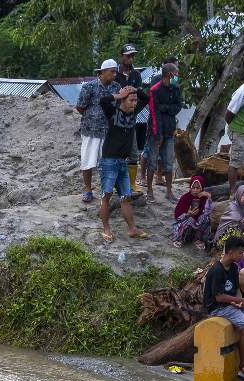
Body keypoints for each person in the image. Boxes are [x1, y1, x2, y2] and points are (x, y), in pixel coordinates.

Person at [204, 235, 244, 381]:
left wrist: (239, 301)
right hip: (218, 308)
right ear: (230, 252)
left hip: (231, 304)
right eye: (240, 252)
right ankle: (243, 366)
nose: (242, 255)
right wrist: (242, 301)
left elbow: (236, 290)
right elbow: (218, 298)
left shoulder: (233, 267)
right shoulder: (217, 270)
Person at [97, 83, 146, 242]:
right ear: (123, 101)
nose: (134, 103)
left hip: (123, 162)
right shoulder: (113, 112)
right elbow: (103, 101)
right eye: (131, 100)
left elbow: (146, 98)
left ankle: (132, 228)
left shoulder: (133, 113)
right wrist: (119, 95)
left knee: (126, 197)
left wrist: (134, 89)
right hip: (109, 161)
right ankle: (106, 229)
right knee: (106, 195)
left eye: (134, 101)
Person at [75, 60, 119, 204]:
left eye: (115, 71)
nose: (114, 74)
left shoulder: (116, 87)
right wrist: (93, 116)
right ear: (103, 72)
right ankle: (88, 190)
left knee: (106, 163)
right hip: (91, 130)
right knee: (88, 161)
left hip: (109, 131)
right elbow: (80, 107)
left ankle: (105, 191)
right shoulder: (89, 87)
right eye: (112, 71)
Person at [144, 59, 183, 203]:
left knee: (168, 163)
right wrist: (157, 134)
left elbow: (178, 106)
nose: (178, 76)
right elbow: (154, 113)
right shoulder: (155, 90)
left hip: (170, 129)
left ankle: (169, 191)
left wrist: (166, 108)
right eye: (176, 74)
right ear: (168, 75)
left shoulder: (176, 88)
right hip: (156, 131)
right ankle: (149, 190)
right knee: (152, 162)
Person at [118, 43, 149, 197]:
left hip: (130, 118)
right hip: (116, 118)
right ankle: (117, 183)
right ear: (122, 56)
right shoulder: (114, 73)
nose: (131, 58)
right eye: (128, 55)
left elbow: (144, 97)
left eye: (133, 55)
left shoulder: (136, 75)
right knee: (116, 152)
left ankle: (131, 183)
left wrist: (134, 110)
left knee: (133, 152)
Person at [172, 175, 214, 249]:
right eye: (193, 188)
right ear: (190, 188)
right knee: (190, 219)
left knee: (206, 218)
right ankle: (178, 239)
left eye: (198, 188)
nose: (195, 190)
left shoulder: (203, 198)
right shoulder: (185, 197)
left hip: (196, 224)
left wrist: (209, 197)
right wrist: (188, 214)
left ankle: (197, 239)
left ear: (201, 188)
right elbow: (177, 215)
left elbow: (208, 211)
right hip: (184, 222)